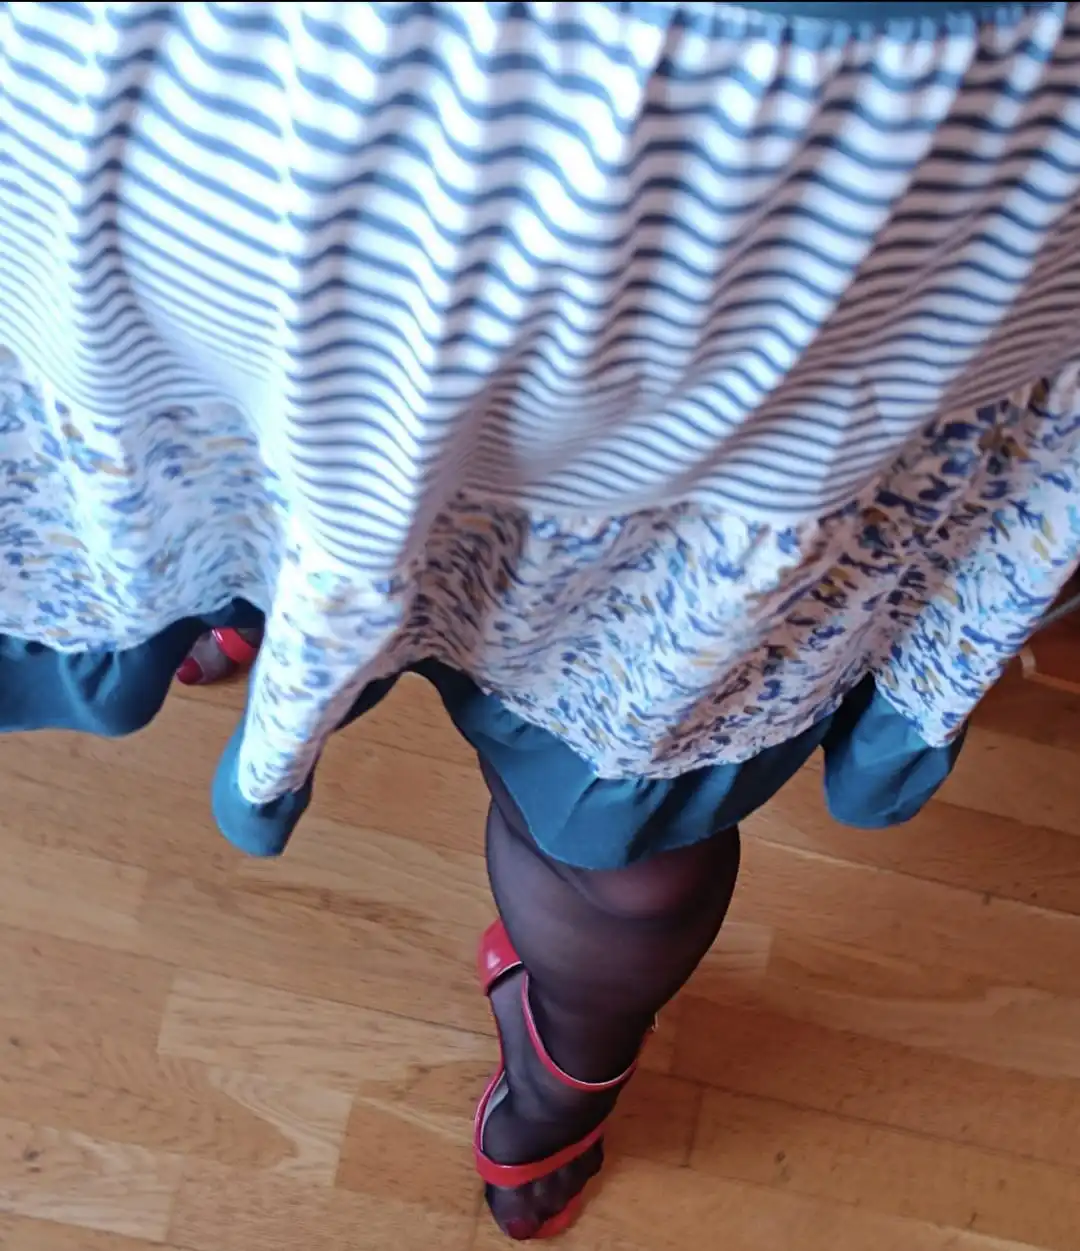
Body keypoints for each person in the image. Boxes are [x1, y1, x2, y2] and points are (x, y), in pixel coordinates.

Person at [1, 1, 1079, 1240]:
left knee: (619, 760)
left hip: (774, 172)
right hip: (235, 132)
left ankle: (568, 1062)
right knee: (605, 766)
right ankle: (559, 1076)